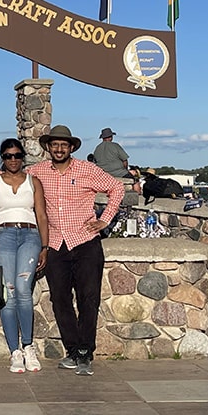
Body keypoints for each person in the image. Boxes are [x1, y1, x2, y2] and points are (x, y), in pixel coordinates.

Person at [29, 125, 124, 376]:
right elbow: (10, 174)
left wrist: (106, 219)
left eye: (64, 144)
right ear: (48, 147)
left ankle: (85, 351)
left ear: (71, 147)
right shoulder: (37, 172)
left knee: (88, 298)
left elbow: (117, 188)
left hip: (85, 241)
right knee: (60, 299)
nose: (59, 149)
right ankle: (72, 350)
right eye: (54, 144)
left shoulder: (88, 169)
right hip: (56, 243)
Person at [0, 138, 49, 374]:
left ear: (23, 157)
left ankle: (28, 345)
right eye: (8, 156)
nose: (13, 160)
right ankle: (15, 351)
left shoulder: (34, 182)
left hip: (29, 235)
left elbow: (41, 215)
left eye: (17, 155)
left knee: (23, 288)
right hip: (3, 235)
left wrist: (45, 246)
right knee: (8, 292)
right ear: (2, 157)